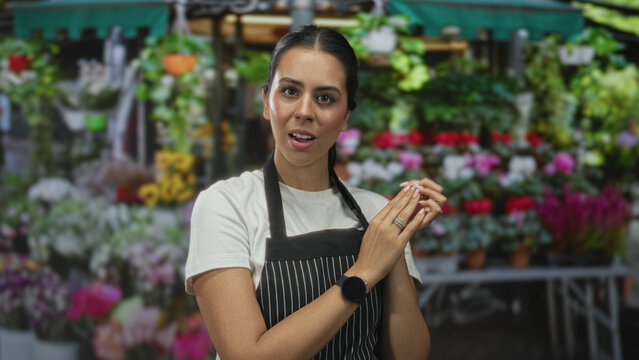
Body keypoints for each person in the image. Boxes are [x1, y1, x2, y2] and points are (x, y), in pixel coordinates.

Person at [185, 25, 446, 359]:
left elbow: (410, 356)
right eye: (290, 91)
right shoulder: (226, 206)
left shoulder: (375, 211)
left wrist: (394, 240)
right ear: (267, 103)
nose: (305, 111)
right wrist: (363, 272)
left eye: (325, 98)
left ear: (346, 116)